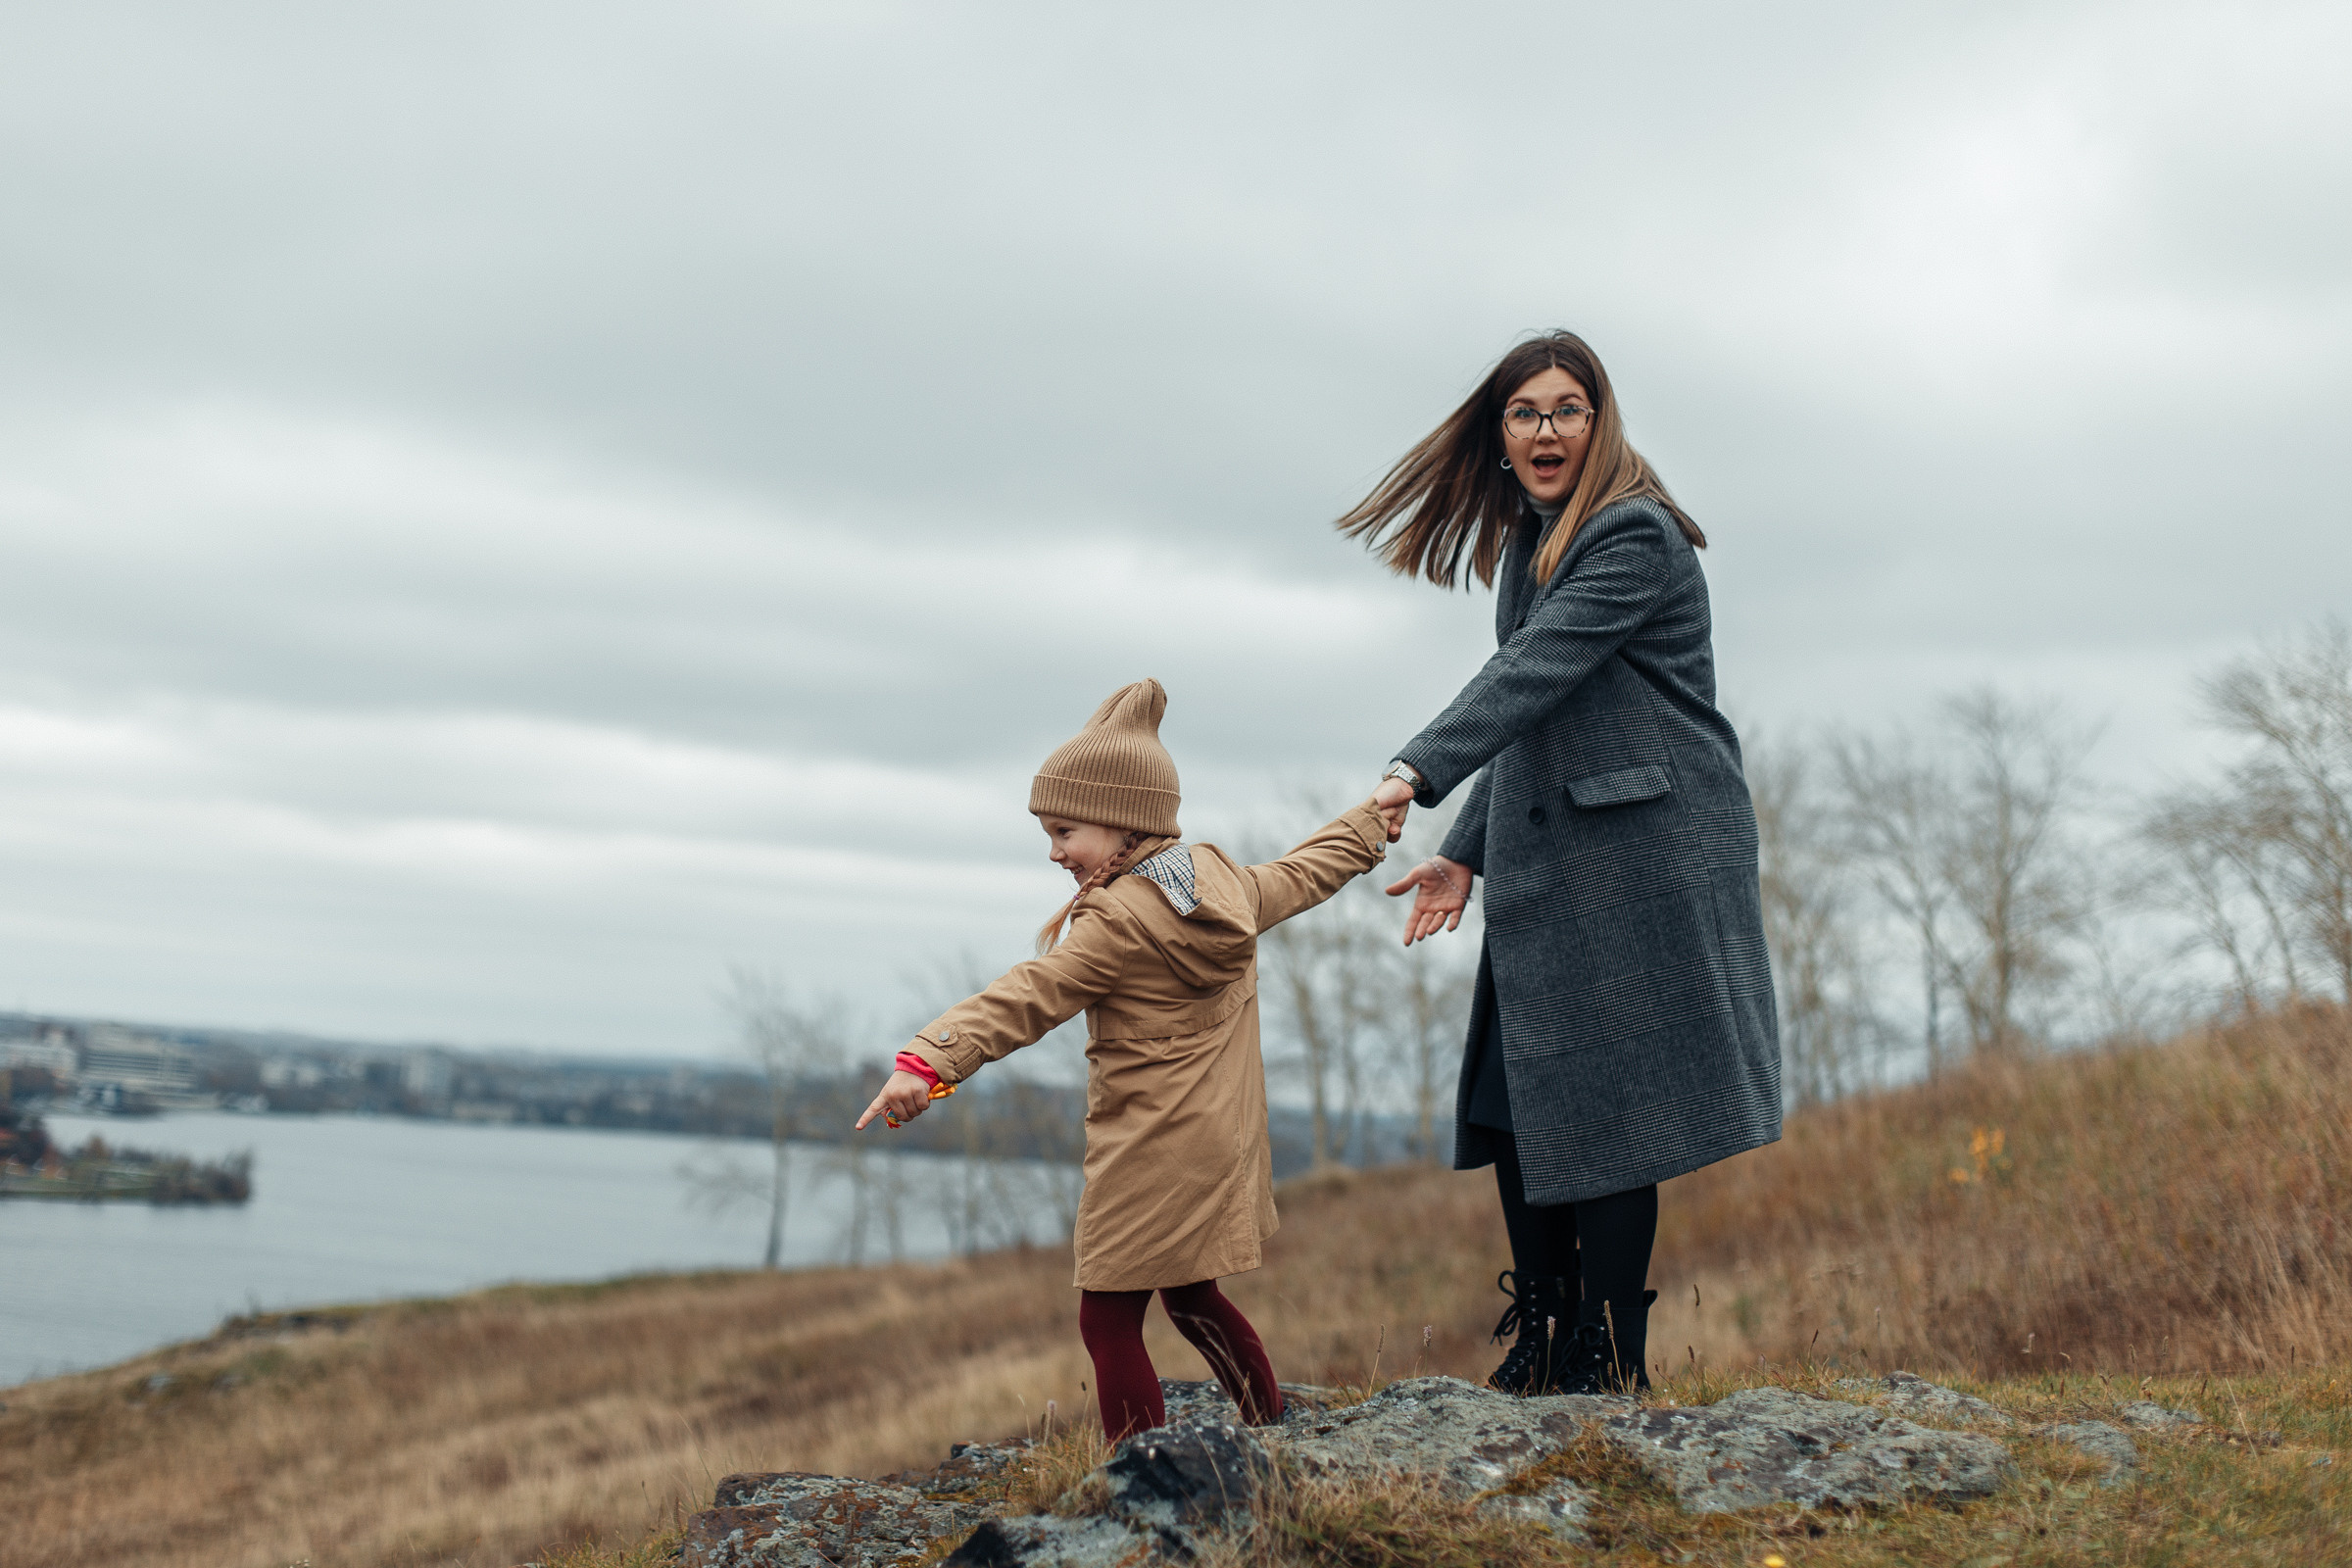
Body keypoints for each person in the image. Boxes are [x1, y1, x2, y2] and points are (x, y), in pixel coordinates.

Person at [1348, 330, 1780, 1396]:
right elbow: (1539, 713)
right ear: (1501, 436)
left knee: (1616, 1107)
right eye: (1525, 413)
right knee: (1507, 1100)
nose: (1547, 430)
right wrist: (1463, 856)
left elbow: (1534, 674)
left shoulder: (1634, 536)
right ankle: (1542, 1337)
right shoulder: (1528, 550)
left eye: (1567, 409)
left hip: (1644, 852)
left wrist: (1418, 767)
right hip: (1558, 850)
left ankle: (1608, 1355)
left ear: (1602, 421)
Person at [856, 678, 1398, 1441]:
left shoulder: (1114, 925)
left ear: (1122, 825)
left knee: (1106, 1319)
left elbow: (1027, 995)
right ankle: (1267, 1426)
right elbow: (1306, 871)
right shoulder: (1227, 888)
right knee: (1191, 1298)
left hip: (1150, 1146)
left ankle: (1141, 1473)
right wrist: (1372, 821)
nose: (1054, 853)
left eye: (1064, 831)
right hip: (1217, 1141)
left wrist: (925, 1063)